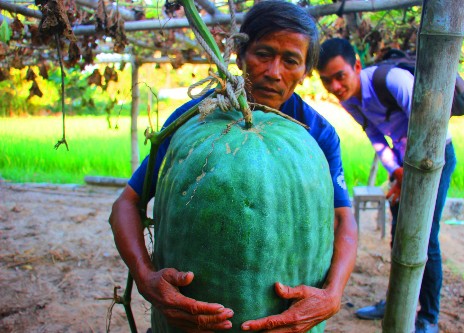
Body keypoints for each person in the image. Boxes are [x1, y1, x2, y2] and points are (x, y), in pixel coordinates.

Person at [109, 3, 358, 332]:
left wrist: (333, 294)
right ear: (239, 56)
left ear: (305, 70)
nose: (273, 71)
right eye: (263, 53)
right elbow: (125, 204)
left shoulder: (317, 133)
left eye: (290, 61)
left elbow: (344, 218)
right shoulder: (193, 120)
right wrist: (145, 277)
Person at [316, 37, 458, 333]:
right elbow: (378, 141)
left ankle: (428, 316)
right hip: (406, 168)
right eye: (327, 81)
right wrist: (397, 173)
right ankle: (398, 300)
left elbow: (433, 124)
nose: (335, 87)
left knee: (425, 237)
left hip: (435, 160)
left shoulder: (392, 80)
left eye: (340, 76)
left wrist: (411, 172)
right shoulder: (350, 101)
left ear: (356, 65)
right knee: (399, 233)